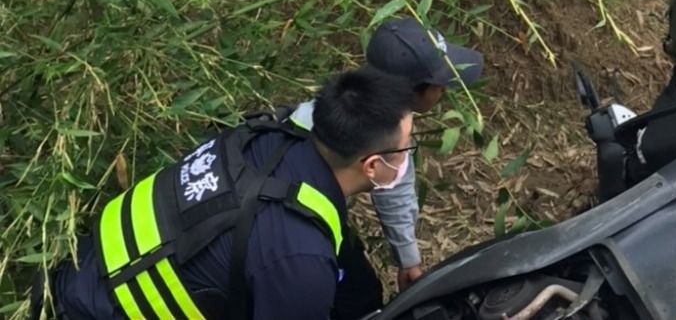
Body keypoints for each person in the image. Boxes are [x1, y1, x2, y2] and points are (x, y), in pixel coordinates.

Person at [48, 67, 416, 319]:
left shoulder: (265, 138)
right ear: (372, 165)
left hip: (84, 272)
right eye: (405, 147)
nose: (408, 151)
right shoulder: (299, 258)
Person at [288, 17, 484, 316]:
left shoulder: (365, 107)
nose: (443, 91)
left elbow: (394, 182)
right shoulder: (355, 133)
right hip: (294, 225)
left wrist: (408, 259)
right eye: (439, 84)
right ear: (415, 91)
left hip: (311, 214)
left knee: (361, 293)